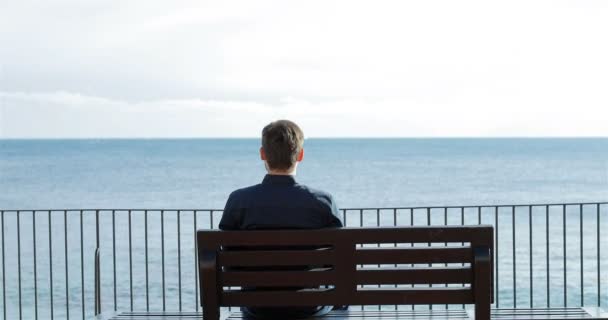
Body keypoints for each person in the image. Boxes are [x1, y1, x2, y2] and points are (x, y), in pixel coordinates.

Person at [219, 120, 343, 319]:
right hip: (309, 308)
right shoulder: (323, 202)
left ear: (263, 154)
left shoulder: (238, 200)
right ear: (300, 155)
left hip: (257, 308)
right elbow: (338, 262)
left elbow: (231, 265)